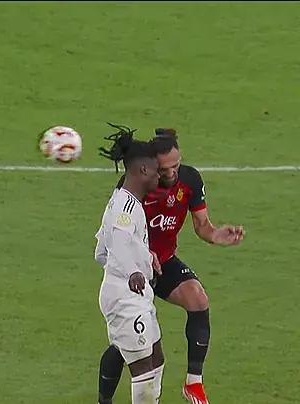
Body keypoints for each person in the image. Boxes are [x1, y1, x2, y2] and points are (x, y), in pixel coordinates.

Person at [108, 128, 244, 404]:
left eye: (176, 165)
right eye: (164, 169)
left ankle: (194, 383)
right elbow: (119, 233)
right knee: (130, 346)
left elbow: (203, 226)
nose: (172, 173)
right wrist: (143, 254)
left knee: (198, 299)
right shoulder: (136, 186)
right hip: (134, 269)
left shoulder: (190, 180)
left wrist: (217, 235)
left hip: (165, 263)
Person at [95, 124, 164, 404]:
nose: (160, 175)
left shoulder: (125, 201)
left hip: (135, 293)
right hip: (125, 296)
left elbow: (102, 250)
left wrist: (144, 257)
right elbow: (121, 240)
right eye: (157, 170)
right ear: (143, 170)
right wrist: (133, 270)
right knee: (143, 367)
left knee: (156, 357)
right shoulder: (125, 207)